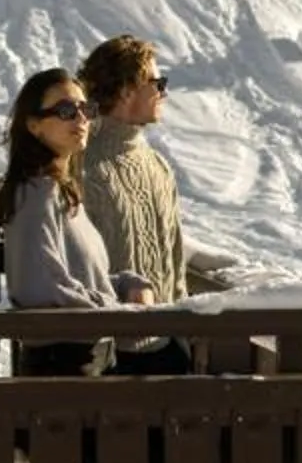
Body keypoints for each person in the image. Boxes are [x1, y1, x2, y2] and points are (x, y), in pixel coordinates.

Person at [76, 35, 233, 373]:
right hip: (102, 356)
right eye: (157, 83)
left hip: (167, 348)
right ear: (126, 90)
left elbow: (172, 257)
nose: (164, 92)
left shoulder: (157, 165)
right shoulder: (81, 165)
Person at [0, 67, 149, 374]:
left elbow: (79, 278)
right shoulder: (35, 196)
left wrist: (126, 285)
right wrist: (117, 310)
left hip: (89, 356)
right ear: (34, 125)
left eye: (85, 109)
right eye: (66, 110)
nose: (81, 119)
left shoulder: (60, 192)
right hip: (63, 366)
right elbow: (42, 291)